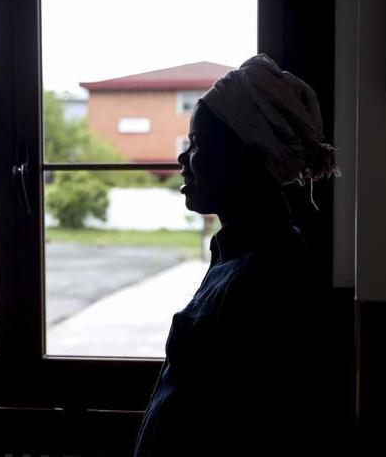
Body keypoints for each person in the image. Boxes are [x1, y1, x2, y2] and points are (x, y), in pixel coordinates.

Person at [134, 54, 341, 455]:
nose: (182, 159)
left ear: (252, 157)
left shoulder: (267, 274)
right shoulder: (238, 254)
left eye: (198, 144)